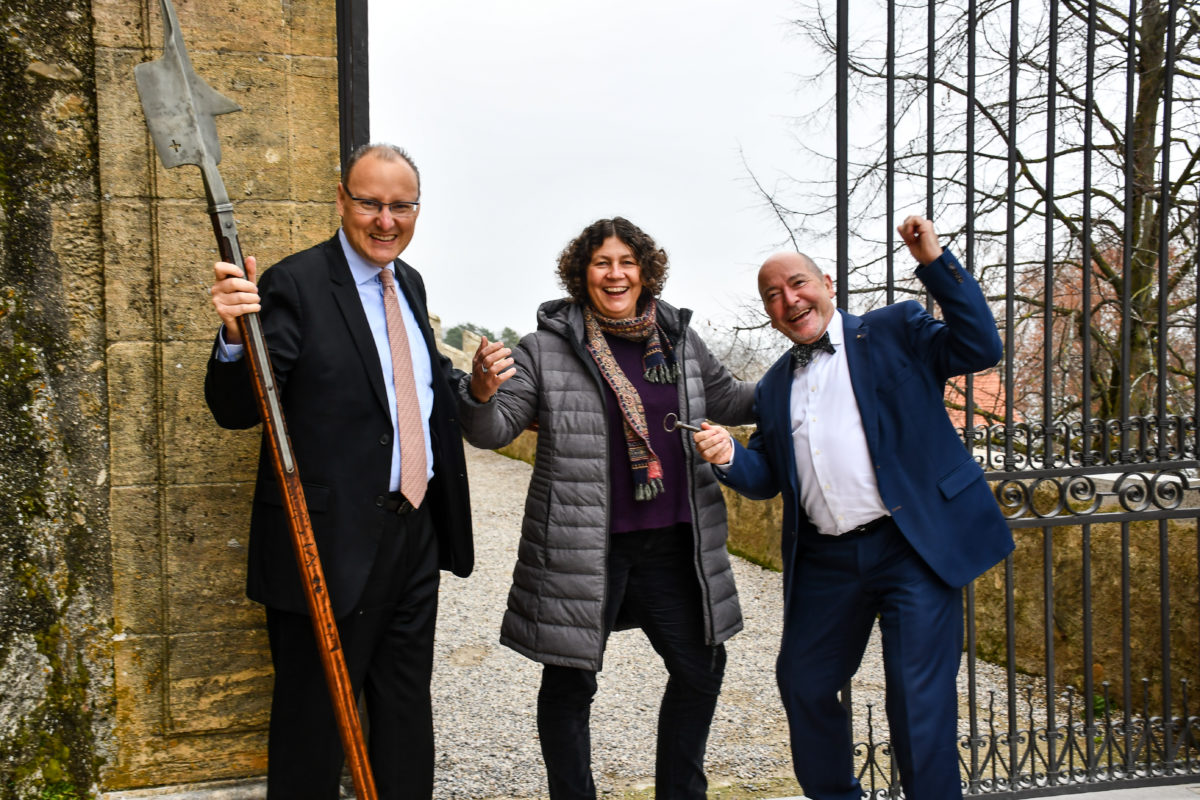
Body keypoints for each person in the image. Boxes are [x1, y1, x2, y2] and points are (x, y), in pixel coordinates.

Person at [695, 215, 1015, 800]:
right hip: (825, 561)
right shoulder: (772, 387)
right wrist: (727, 456)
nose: (788, 300)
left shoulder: (894, 329)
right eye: (773, 295)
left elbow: (981, 345)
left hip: (910, 547)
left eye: (797, 284)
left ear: (827, 284)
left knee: (918, 702)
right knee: (804, 683)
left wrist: (933, 261)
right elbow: (765, 477)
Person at [204, 143, 473, 800]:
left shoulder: (408, 283)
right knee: (314, 724)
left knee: (406, 709)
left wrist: (479, 385)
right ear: (341, 201)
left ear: (417, 210)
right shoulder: (293, 284)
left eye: (401, 206)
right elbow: (239, 409)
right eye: (371, 203)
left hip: (414, 531)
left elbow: (417, 390)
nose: (386, 220)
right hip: (322, 542)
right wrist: (237, 338)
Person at [456, 217, 755, 799]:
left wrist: (808, 366)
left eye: (626, 262)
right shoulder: (543, 349)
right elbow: (492, 431)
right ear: (582, 274)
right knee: (570, 685)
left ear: (645, 271)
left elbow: (733, 398)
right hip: (587, 544)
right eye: (602, 263)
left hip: (673, 543)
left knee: (701, 672)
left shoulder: (679, 339)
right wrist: (481, 393)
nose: (615, 274)